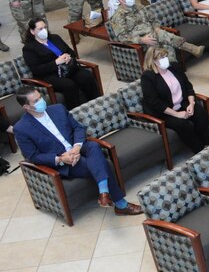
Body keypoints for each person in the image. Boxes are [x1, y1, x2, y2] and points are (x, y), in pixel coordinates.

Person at [13, 86, 144, 216]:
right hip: (63, 160)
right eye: (36, 101)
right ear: (27, 107)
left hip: (77, 146)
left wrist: (76, 147)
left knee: (93, 146)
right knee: (101, 164)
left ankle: (104, 193)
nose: (41, 101)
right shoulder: (22, 128)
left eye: (40, 97)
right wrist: (60, 159)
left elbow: (78, 128)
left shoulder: (58, 109)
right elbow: (33, 156)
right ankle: (120, 204)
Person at [140, 46, 209, 154]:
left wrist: (191, 104)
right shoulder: (148, 77)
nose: (165, 60)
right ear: (153, 61)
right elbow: (155, 103)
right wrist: (176, 114)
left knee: (201, 113)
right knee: (183, 125)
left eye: (165, 56)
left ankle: (205, 143)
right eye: (161, 58)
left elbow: (188, 86)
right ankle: (200, 151)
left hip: (183, 104)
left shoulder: (174, 67)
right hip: (164, 112)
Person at [108, 0, 205, 63]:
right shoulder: (118, 16)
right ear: (120, 0)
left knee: (166, 43)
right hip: (141, 42)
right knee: (164, 38)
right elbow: (122, 37)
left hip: (155, 35)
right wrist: (142, 40)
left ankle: (173, 70)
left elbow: (153, 20)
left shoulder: (139, 7)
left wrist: (157, 28)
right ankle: (192, 49)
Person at [22, 18, 101, 108]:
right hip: (50, 75)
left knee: (86, 76)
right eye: (40, 29)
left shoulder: (55, 38)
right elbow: (37, 69)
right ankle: (76, 111)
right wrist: (56, 62)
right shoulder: (29, 48)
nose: (44, 30)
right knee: (69, 85)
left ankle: (96, 104)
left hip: (68, 68)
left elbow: (71, 52)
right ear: (32, 31)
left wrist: (68, 56)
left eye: (45, 27)